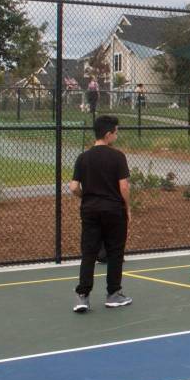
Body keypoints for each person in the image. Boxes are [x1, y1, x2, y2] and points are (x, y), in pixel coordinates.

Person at [69, 115, 132, 312]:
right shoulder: (118, 156)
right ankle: (113, 294)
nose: (117, 135)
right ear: (108, 134)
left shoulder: (83, 157)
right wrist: (127, 207)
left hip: (90, 211)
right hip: (114, 210)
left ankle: (83, 297)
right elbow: (124, 187)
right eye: (116, 132)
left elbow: (72, 187)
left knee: (89, 253)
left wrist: (86, 196)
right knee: (115, 252)